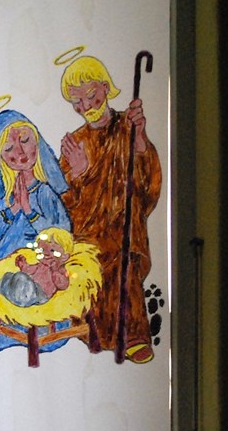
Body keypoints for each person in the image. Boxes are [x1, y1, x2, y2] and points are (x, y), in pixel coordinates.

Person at [58, 55, 162, 364]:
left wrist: (139, 140)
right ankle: (90, 332)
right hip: (89, 234)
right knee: (87, 262)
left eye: (91, 95)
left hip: (125, 229)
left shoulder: (128, 128)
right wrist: (80, 174)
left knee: (123, 254)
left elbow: (147, 188)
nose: (86, 105)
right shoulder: (76, 142)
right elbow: (66, 206)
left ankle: (134, 335)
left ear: (105, 88)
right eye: (77, 102)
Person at [0, 109, 73, 353]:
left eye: (25, 140)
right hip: (7, 263)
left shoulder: (45, 193)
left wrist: (30, 212)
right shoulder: (3, 196)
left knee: (35, 296)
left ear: (37, 143)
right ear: (0, 156)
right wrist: (12, 209)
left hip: (41, 264)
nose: (20, 153)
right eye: (9, 148)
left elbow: (63, 233)